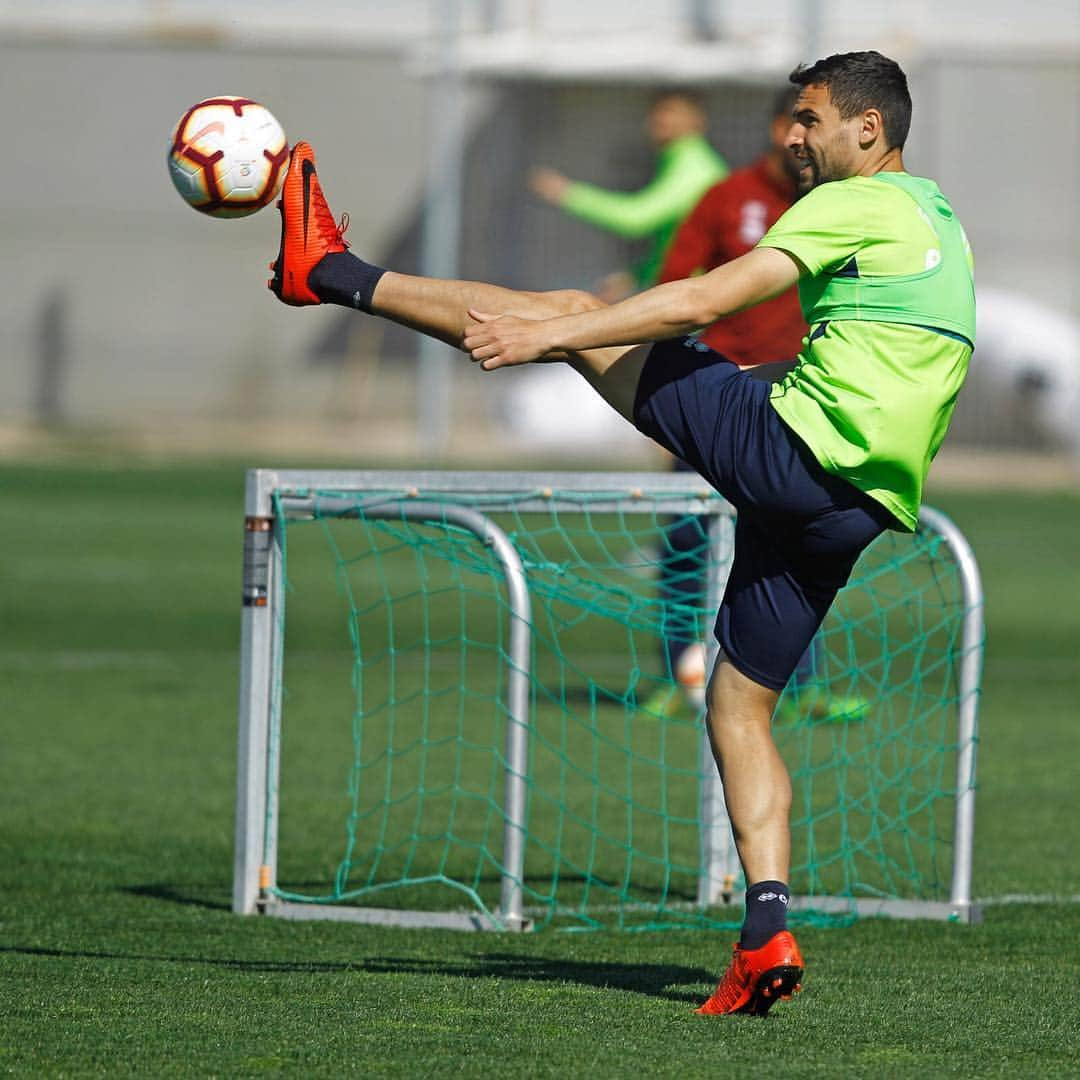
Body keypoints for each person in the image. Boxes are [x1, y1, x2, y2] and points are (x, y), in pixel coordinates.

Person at [266, 50, 975, 1017]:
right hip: (855, 506)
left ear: (869, 129)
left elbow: (704, 297)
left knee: (574, 315)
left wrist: (548, 342)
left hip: (793, 449)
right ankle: (766, 924)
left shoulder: (857, 203)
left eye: (809, 119)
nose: (791, 135)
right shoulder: (936, 212)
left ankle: (328, 271)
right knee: (739, 702)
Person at [651, 87, 868, 725]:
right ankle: (674, 675)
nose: (802, 140)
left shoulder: (842, 207)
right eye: (795, 123)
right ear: (778, 128)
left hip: (802, 403)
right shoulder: (727, 196)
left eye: (813, 124)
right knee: (686, 535)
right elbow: (677, 282)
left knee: (794, 542)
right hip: (719, 397)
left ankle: (802, 687)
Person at [530, 89, 729, 296]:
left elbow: (635, 219)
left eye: (672, 111)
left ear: (697, 120)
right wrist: (637, 275)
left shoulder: (694, 166)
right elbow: (676, 240)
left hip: (698, 297)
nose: (662, 118)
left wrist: (567, 193)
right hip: (687, 291)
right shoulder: (678, 159)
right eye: (657, 111)